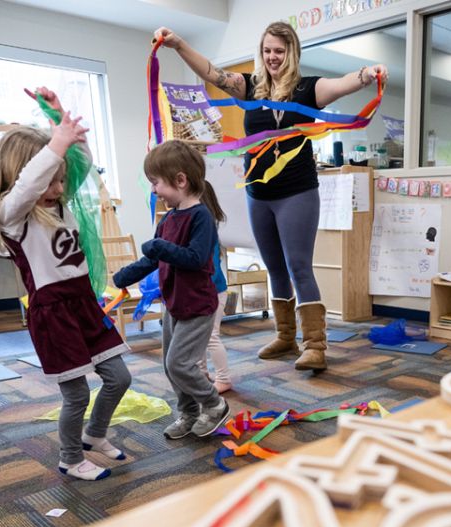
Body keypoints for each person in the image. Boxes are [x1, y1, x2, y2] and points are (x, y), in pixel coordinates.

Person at [153, 21, 387, 372]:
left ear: (291, 52)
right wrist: (179, 44)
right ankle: (285, 336)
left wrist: (367, 73)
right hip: (258, 193)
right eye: (267, 50)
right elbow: (211, 73)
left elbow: (342, 85)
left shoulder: (309, 88)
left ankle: (315, 344)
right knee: (273, 266)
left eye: (280, 50)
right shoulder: (249, 87)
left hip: (297, 192)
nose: (273, 57)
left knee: (298, 266)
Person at [0, 87, 132, 481]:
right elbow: (30, 185)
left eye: (61, 180)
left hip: (83, 303)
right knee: (76, 394)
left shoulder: (61, 202)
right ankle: (70, 458)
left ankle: (94, 434)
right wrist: (54, 146)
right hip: (53, 314)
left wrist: (58, 117)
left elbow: (82, 162)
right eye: (51, 182)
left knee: (120, 377)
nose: (58, 189)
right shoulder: (13, 216)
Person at [113, 140, 231, 440]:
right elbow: (154, 257)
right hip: (174, 303)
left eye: (156, 183)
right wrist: (124, 276)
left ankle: (214, 405)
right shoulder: (168, 218)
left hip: (197, 306)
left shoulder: (201, 216)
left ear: (180, 180)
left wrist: (161, 247)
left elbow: (194, 258)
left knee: (180, 363)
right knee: (170, 365)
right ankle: (189, 412)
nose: (154, 190)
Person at [199, 240, 233, 394]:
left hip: (213, 293)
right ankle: (201, 374)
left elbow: (211, 270)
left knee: (211, 335)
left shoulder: (207, 235)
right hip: (201, 293)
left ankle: (223, 379)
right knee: (199, 337)